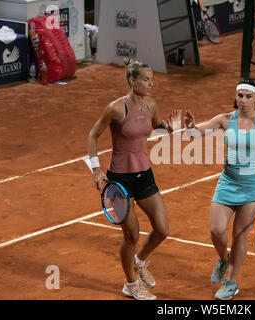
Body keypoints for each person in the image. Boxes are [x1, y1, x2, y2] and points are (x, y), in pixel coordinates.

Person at [86, 58, 180, 300]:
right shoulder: (116, 108)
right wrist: (96, 170)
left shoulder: (151, 105)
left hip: (144, 175)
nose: (151, 84)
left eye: (152, 80)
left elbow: (157, 125)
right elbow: (93, 135)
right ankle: (130, 283)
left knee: (162, 229)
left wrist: (172, 126)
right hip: (119, 181)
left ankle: (140, 261)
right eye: (146, 80)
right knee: (131, 236)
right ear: (132, 80)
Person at [183, 79, 255, 300]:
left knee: (239, 234)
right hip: (227, 183)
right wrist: (190, 126)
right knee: (216, 230)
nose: (243, 100)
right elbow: (193, 134)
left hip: (252, 187)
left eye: (248, 96)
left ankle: (231, 281)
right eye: (240, 96)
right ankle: (223, 258)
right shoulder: (224, 119)